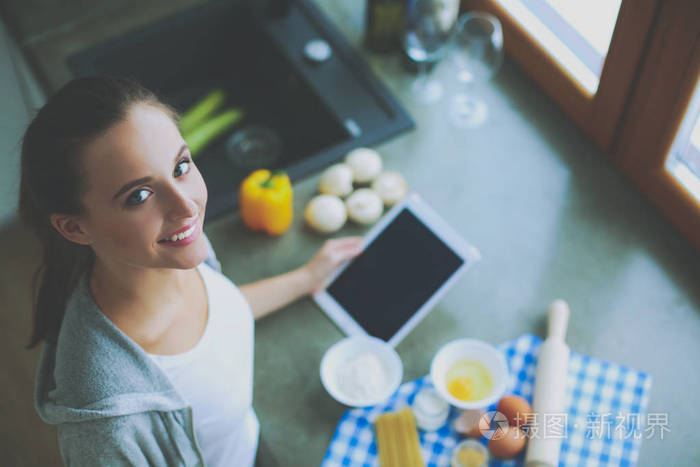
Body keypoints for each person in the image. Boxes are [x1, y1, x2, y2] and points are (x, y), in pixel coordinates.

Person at [20, 75, 362, 466]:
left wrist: (305, 279)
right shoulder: (105, 424)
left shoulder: (174, 257)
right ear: (75, 227)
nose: (186, 206)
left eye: (180, 166)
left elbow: (217, 317)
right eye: (139, 196)